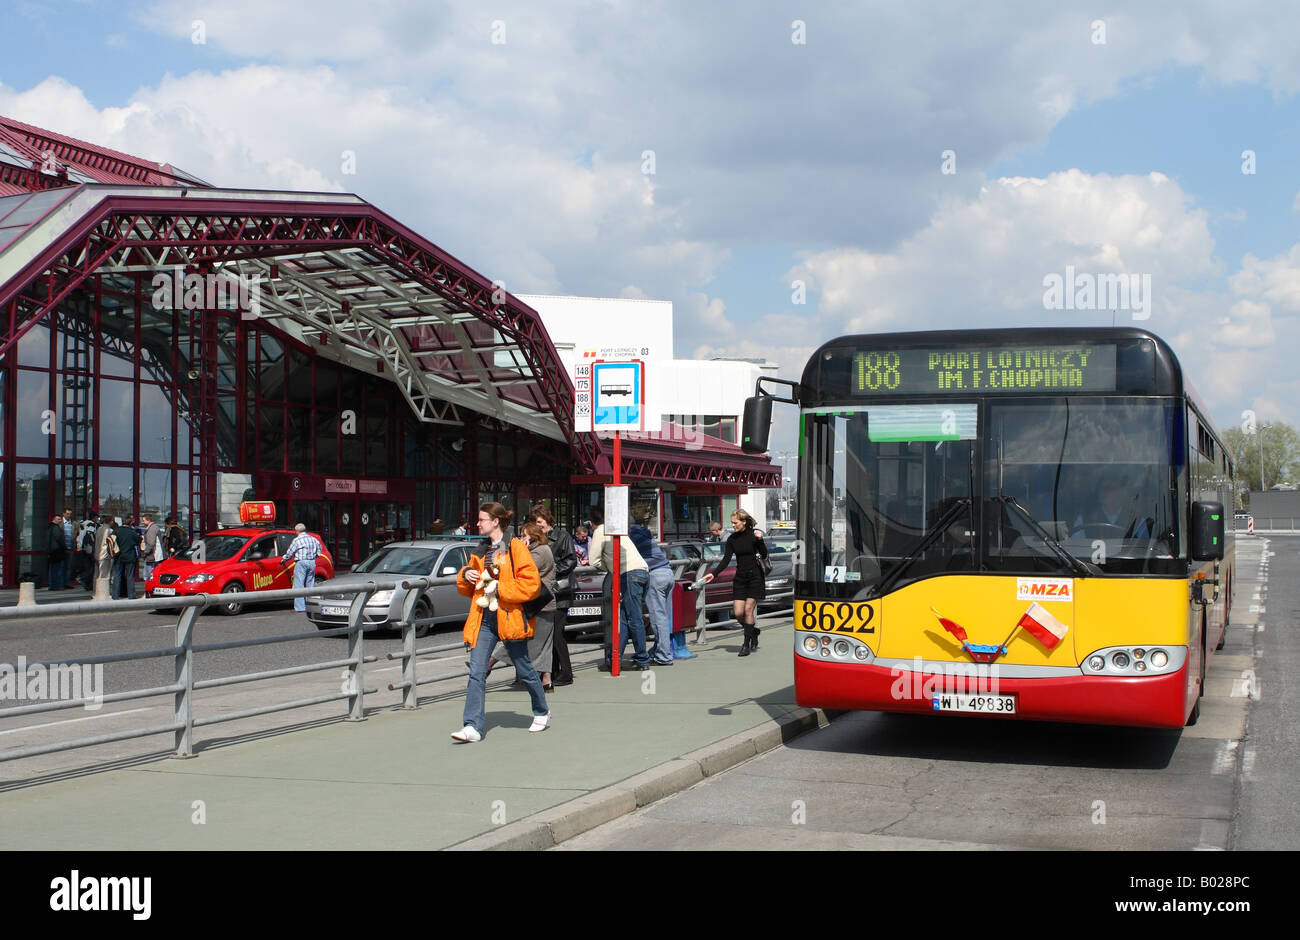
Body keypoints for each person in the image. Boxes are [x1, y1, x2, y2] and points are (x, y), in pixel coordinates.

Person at [452, 503, 549, 742]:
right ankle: (472, 726)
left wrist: (500, 588)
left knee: (525, 668)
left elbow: (531, 585)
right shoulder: (480, 550)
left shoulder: (515, 547)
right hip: (484, 617)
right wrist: (465, 575)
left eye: (482, 519)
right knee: (477, 671)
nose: (478, 523)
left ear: (495, 521)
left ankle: (541, 710)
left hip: (508, 616)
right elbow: (470, 587)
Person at [491, 520, 557, 690]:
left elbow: (519, 570)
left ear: (533, 537)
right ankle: (547, 680)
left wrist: (519, 550)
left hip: (538, 604)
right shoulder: (544, 549)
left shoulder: (539, 552)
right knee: (544, 644)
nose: (521, 539)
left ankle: (489, 663)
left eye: (523, 536)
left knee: (520, 640)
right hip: (545, 604)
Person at [589, 507, 652, 670]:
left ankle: (642, 659)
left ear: (591, 523)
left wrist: (610, 568)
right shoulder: (615, 529)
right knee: (625, 618)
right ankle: (614, 657)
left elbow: (593, 560)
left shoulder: (599, 531)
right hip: (643, 571)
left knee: (634, 618)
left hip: (628, 574)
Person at [702, 510, 769, 656]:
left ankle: (746, 645)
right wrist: (713, 574)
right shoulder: (732, 539)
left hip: (755, 577)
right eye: (732, 523)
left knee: (748, 611)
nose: (733, 526)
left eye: (735, 523)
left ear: (744, 521)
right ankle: (753, 631)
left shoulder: (753, 535)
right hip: (740, 578)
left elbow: (764, 554)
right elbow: (726, 560)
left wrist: (760, 540)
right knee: (738, 613)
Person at [529, 503, 577, 687]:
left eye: (540, 521)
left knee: (556, 634)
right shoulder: (536, 539)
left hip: (559, 591)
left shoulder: (562, 536)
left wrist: (552, 570)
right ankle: (554, 671)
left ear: (547, 520)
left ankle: (566, 672)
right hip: (545, 593)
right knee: (547, 635)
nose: (538, 525)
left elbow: (571, 560)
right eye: (535, 522)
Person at [629, 520, 675, 665]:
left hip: (655, 575)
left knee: (658, 618)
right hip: (668, 573)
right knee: (665, 616)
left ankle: (663, 655)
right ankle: (659, 649)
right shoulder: (645, 535)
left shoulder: (632, 539)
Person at [1072, 470, 1151, 539]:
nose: (1103, 491)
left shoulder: (1135, 520)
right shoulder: (1085, 518)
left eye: (1109, 488)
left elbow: (1143, 548)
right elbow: (1075, 544)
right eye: (1101, 487)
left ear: (1121, 493)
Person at [281, 523, 322, 612]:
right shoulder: (313, 539)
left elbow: (290, 553)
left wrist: (284, 559)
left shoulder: (297, 540)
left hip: (301, 563)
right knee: (310, 585)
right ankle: (310, 605)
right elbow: (319, 550)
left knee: (299, 585)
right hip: (311, 562)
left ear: (297, 531)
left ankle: (300, 608)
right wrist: (314, 557)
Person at [111, 516, 142, 599]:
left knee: (117, 575)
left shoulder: (116, 531)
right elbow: (139, 541)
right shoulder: (132, 532)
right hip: (130, 556)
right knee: (130, 576)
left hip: (118, 556)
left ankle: (115, 595)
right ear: (130, 523)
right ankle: (131, 595)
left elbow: (111, 541)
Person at [93, 514, 115, 589]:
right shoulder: (109, 530)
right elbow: (111, 544)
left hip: (97, 553)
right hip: (105, 554)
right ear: (111, 521)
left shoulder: (99, 529)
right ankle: (103, 591)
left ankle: (96, 590)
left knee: (97, 574)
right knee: (104, 575)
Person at [45, 515, 67, 590]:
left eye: (60, 519)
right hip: (57, 551)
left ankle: (52, 585)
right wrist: (64, 546)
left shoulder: (49, 527)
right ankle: (56, 585)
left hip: (52, 551)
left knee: (53, 569)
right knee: (57, 569)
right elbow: (59, 538)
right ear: (54, 519)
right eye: (58, 519)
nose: (60, 520)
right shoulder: (55, 528)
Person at [141, 513, 162, 582]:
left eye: (143, 520)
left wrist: (145, 552)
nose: (142, 522)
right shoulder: (154, 527)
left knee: (148, 574)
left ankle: (148, 591)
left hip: (153, 555)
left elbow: (150, 543)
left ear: (149, 520)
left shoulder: (151, 529)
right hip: (155, 554)